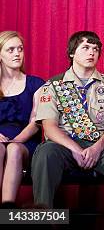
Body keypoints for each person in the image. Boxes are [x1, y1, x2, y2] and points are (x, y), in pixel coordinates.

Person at [31, 31, 104, 230]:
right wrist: (74, 148)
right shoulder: (54, 86)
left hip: (100, 146)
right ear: (72, 52)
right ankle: (43, 217)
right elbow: (49, 126)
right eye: (86, 48)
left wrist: (97, 148)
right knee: (44, 153)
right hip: (64, 147)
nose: (92, 53)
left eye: (96, 49)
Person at [0, 31, 45, 206]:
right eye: (10, 50)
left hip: (25, 143)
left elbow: (36, 122)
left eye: (20, 49)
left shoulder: (36, 84)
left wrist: (15, 141)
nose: (17, 53)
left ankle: (7, 209)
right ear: (0, 56)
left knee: (14, 149)